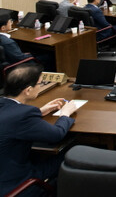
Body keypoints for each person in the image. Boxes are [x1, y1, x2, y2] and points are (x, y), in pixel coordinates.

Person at [0, 64, 78, 196]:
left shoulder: (6, 105)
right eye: (40, 84)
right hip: (15, 184)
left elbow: (10, 121)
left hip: (6, 169)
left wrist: (40, 111)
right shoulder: (24, 114)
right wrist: (65, 113)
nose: (40, 86)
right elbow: (56, 134)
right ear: (28, 90)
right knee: (73, 151)